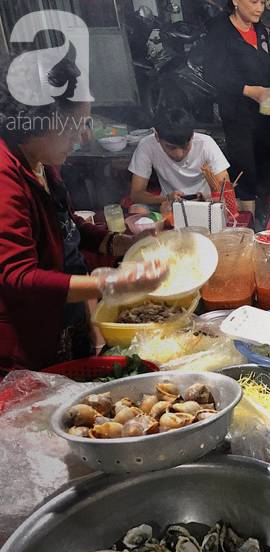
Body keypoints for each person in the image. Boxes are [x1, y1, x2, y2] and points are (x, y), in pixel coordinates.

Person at [0, 56, 164, 374]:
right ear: (42, 121)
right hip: (25, 348)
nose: (83, 136)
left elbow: (66, 227)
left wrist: (122, 243)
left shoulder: (41, 161)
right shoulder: (5, 178)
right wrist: (113, 283)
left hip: (64, 324)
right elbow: (17, 277)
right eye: (76, 124)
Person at [206, 0, 270, 224]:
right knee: (245, 166)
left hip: (265, 111)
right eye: (253, 2)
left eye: (263, 2)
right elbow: (212, 73)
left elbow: (268, 68)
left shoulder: (260, 30)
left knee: (269, 162)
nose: (260, 7)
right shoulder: (220, 30)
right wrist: (250, 91)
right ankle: (249, 224)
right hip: (237, 113)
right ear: (235, 1)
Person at [128, 108, 230, 207]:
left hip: (205, 204)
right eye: (170, 147)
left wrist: (210, 198)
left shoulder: (205, 144)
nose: (179, 154)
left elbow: (225, 189)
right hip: (170, 204)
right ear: (157, 137)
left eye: (185, 147)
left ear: (192, 136)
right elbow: (136, 194)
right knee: (137, 209)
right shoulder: (147, 145)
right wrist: (167, 199)